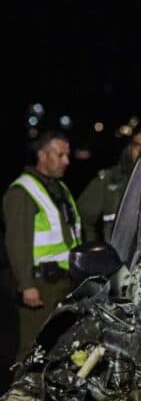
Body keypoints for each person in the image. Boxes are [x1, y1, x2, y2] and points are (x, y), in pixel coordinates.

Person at [2, 131, 81, 364]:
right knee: (32, 349)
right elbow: (17, 243)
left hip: (65, 282)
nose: (67, 160)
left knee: (61, 346)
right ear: (42, 155)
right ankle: (20, 399)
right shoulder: (23, 191)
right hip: (41, 286)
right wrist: (26, 285)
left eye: (67, 155)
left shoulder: (59, 188)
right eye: (60, 154)